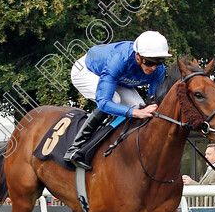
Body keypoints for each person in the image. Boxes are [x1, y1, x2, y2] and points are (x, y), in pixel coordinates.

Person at [65, 31, 170, 169]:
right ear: (137, 56)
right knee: (116, 100)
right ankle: (76, 148)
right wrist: (135, 113)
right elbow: (104, 102)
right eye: (149, 62)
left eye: (159, 62)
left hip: (117, 78)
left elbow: (154, 101)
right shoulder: (119, 60)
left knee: (140, 105)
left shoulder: (158, 69)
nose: (154, 68)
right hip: (87, 72)